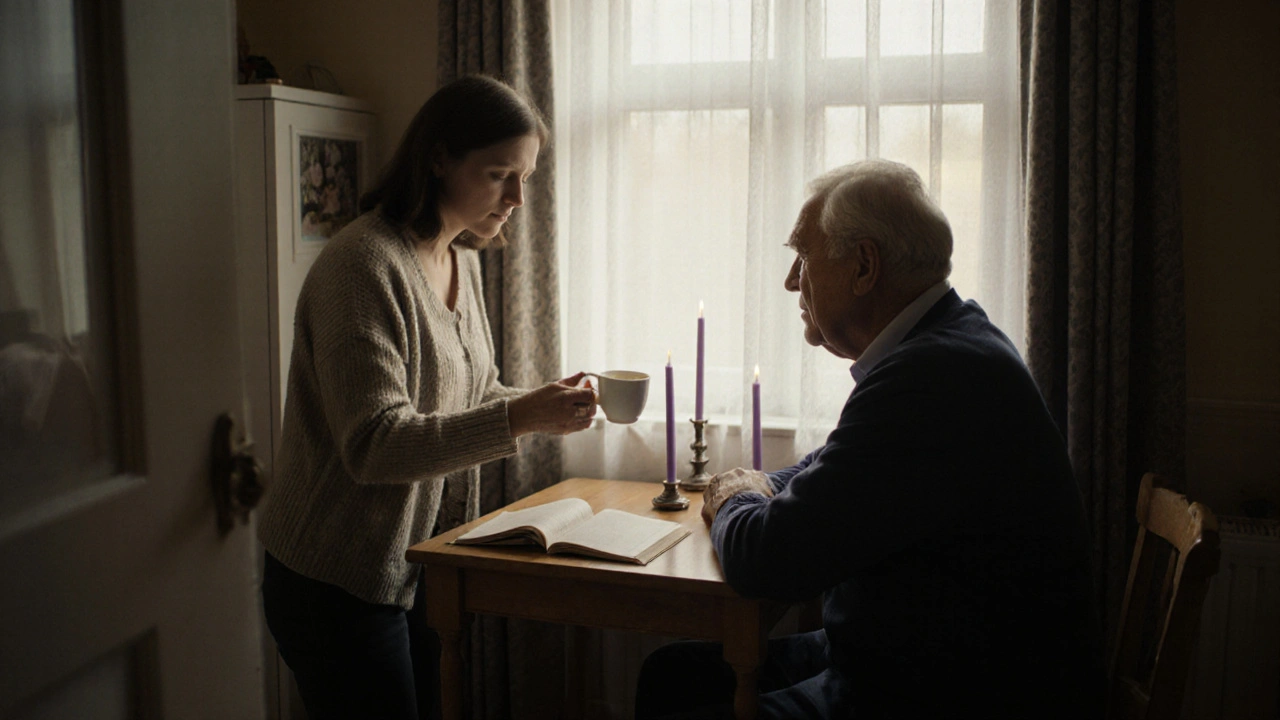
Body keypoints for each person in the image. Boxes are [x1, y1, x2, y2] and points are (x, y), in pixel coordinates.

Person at [635, 159, 1104, 719]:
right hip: (922, 658)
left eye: (803, 257)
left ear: (864, 266)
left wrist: (734, 495)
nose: (791, 281)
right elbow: (834, 466)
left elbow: (766, 560)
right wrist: (761, 487)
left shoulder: (930, 377)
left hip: (954, 691)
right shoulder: (952, 340)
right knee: (672, 675)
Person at [257, 75, 597, 720]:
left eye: (524, 175)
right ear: (439, 158)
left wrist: (542, 404)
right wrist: (519, 416)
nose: (518, 197)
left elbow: (472, 392)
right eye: (501, 173)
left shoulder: (459, 256)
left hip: (408, 569)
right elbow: (375, 445)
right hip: (331, 577)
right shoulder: (361, 267)